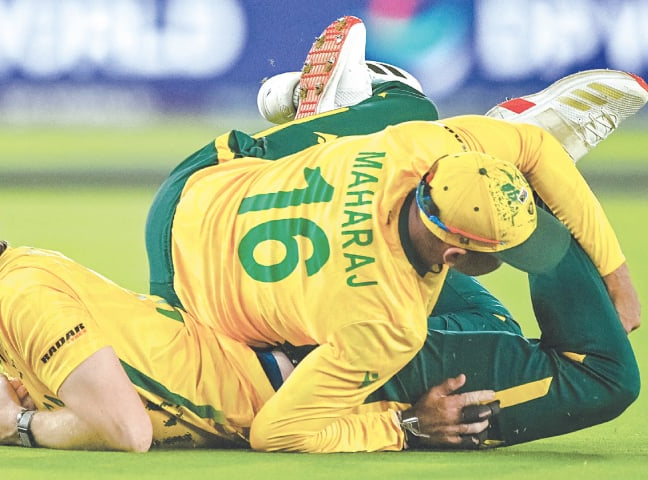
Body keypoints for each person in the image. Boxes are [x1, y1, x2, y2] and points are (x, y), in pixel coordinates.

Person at [144, 16, 645, 452]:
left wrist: (616, 278)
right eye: (507, 252)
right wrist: (404, 427)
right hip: (201, 311)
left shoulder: (416, 147)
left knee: (410, 104)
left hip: (188, 194)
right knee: (539, 346)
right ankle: (516, 187)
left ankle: (328, 108)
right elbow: (276, 432)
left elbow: (532, 146)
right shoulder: (387, 323)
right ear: (454, 256)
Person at [0, 183, 501, 451]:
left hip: (323, 372)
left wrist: (18, 425)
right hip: (304, 360)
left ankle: (494, 186)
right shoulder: (13, 290)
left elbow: (128, 431)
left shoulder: (21, 297)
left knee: (588, 371)